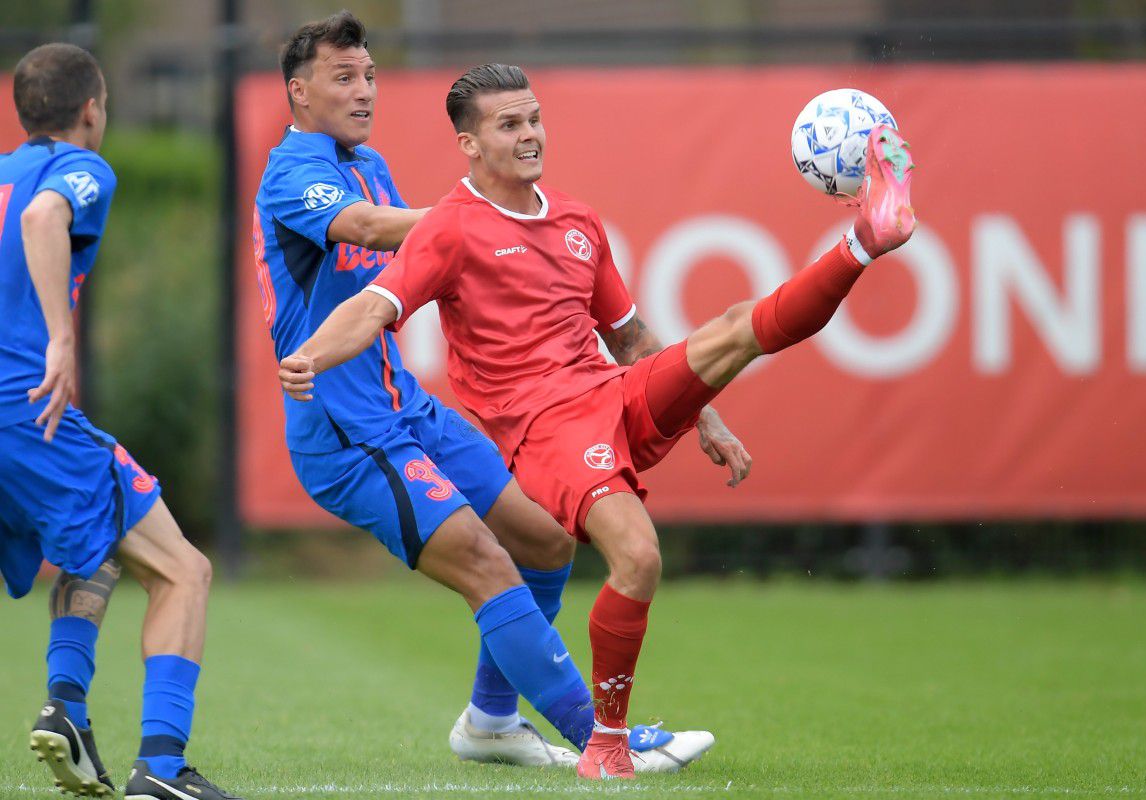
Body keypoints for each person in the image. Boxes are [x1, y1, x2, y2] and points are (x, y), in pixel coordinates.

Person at [278, 63, 916, 780]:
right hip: (547, 429)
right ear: (469, 144)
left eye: (533, 119)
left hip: (611, 394)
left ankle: (864, 238)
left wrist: (702, 415)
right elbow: (373, 306)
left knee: (734, 329)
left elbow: (633, 338)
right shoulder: (451, 228)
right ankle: (606, 745)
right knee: (638, 558)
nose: (528, 135)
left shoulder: (577, 221)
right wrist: (309, 356)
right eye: (508, 125)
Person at [256, 14, 711, 773]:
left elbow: (414, 266)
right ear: (299, 93)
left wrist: (488, 232)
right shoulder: (293, 169)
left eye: (368, 75)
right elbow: (367, 229)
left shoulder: (368, 161)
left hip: (407, 409)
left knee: (543, 537)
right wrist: (486, 220)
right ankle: (604, 738)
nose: (364, 90)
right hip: (345, 428)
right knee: (484, 563)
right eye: (344, 77)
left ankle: (492, 721)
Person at [0, 44, 239, 799]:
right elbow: (45, 218)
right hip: (26, 411)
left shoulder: (0, 172)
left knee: (96, 541)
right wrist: (61, 339)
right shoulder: (81, 169)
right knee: (184, 571)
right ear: (93, 110)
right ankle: (161, 772)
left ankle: (67, 707)